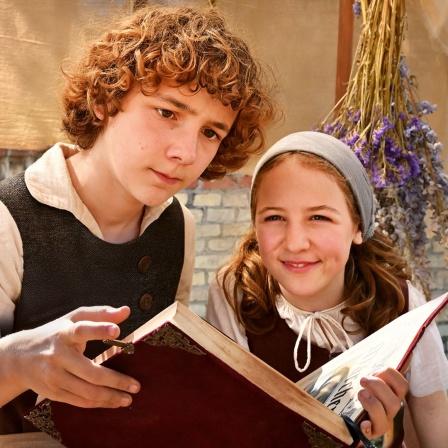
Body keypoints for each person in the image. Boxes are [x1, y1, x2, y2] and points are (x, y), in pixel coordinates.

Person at [0, 4, 280, 445]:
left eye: (211, 132)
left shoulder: (177, 226)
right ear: (103, 100)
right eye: (168, 112)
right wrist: (15, 363)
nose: (186, 152)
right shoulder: (8, 219)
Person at [207, 131, 448, 447]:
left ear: (358, 226)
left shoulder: (400, 304)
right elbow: (227, 416)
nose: (295, 242)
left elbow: (432, 409)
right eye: (275, 217)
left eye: (319, 217)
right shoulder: (237, 293)